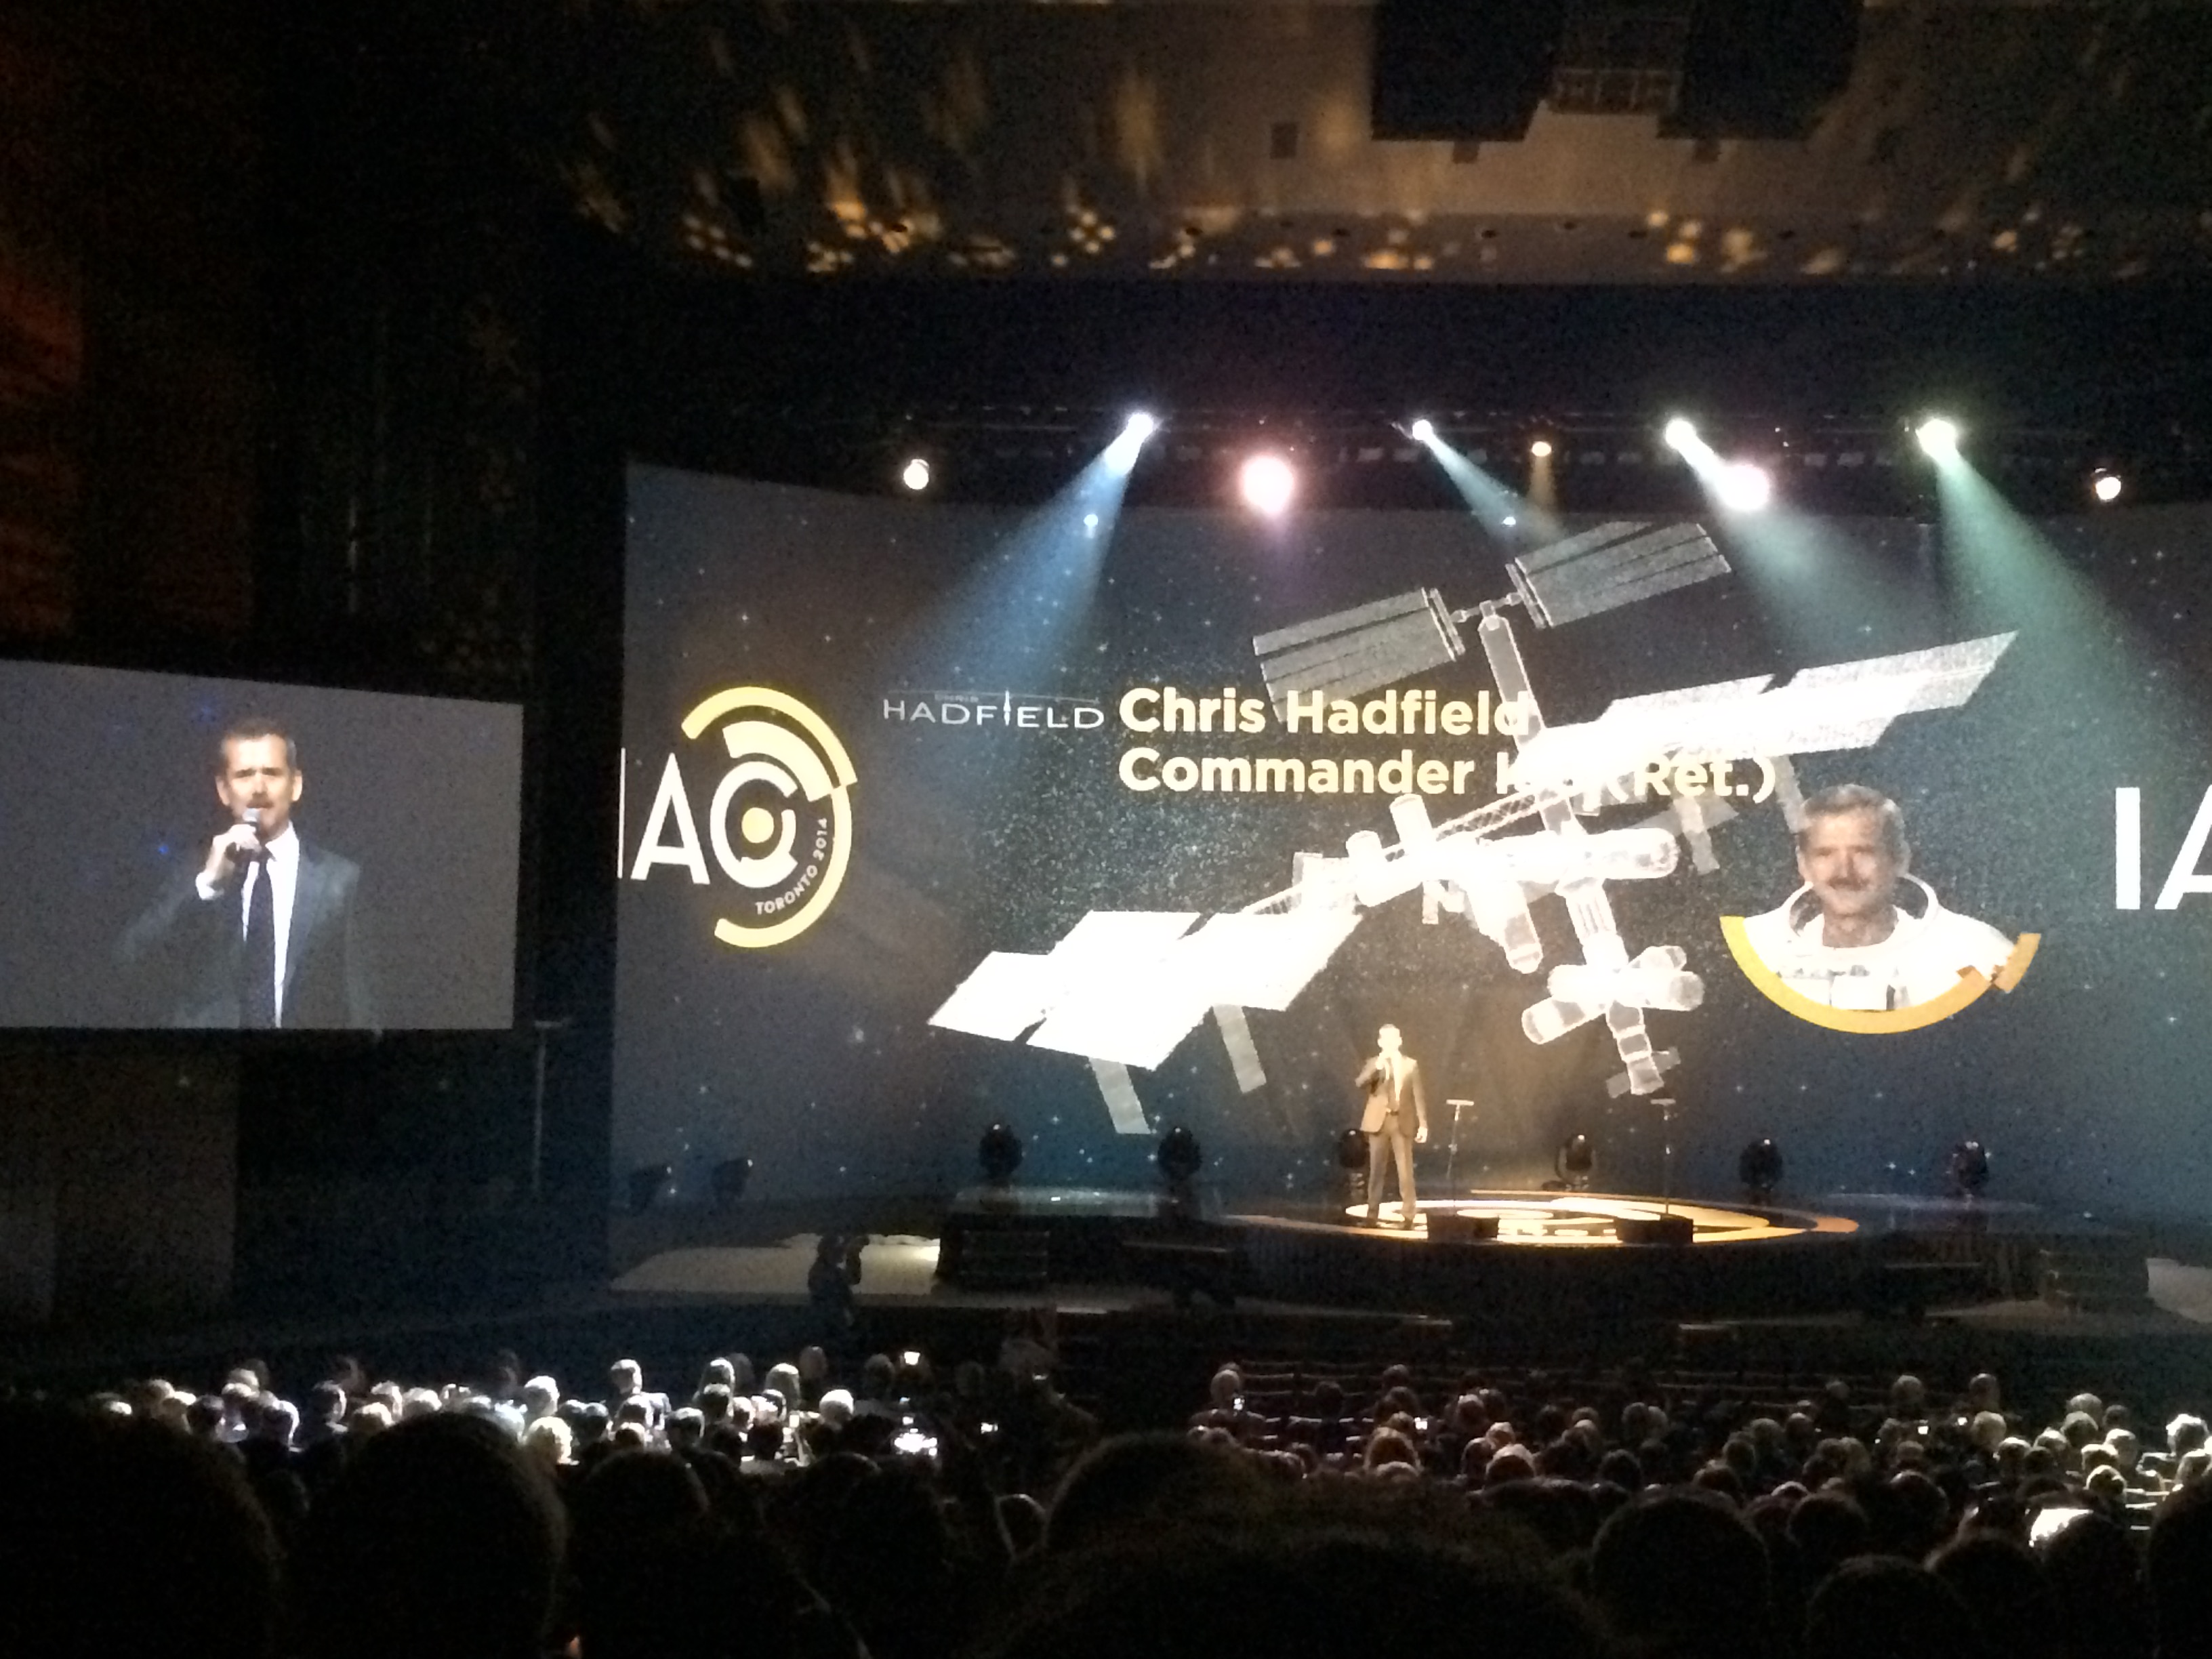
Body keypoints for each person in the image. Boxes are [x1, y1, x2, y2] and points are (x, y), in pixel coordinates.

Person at [119, 718, 375, 1029]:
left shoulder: (340, 880)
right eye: (244, 775)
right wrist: (207, 887)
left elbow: (361, 1001)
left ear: (296, 785)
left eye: (272, 773)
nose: (258, 788)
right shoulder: (193, 872)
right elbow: (134, 962)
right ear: (223, 790)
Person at [1740, 783, 2012, 1012]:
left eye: (1863, 852)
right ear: (1803, 864)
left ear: (1900, 859)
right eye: (1825, 854)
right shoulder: (1754, 949)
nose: (1844, 872)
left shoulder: (1979, 954)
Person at [1354, 1023, 1427, 1229]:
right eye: (1385, 1039)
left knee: (1405, 1172)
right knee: (1376, 1170)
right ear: (1379, 1042)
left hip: (1401, 1121)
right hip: (1379, 1122)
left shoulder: (1410, 1065)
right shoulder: (1373, 1063)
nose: (1389, 1042)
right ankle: (1372, 1214)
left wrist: (1423, 1124)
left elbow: (1418, 1096)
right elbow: (1360, 1083)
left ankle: (1409, 1215)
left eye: (1393, 1038)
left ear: (1400, 1041)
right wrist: (1376, 1068)